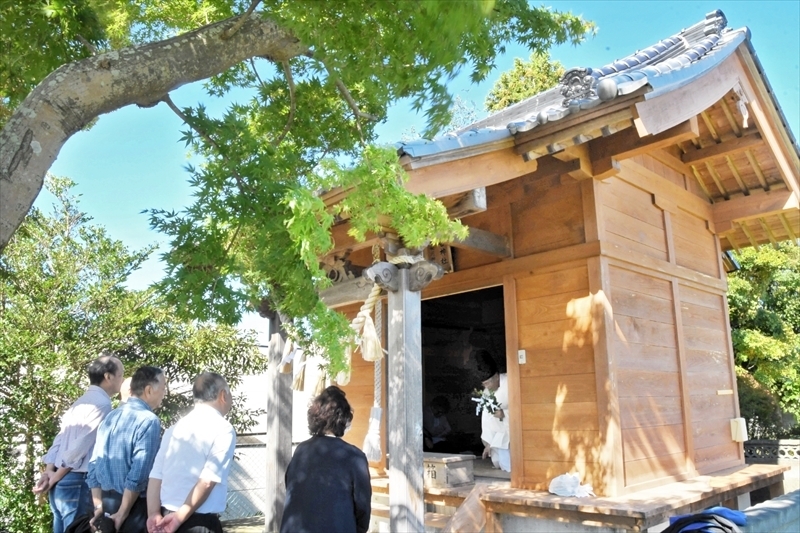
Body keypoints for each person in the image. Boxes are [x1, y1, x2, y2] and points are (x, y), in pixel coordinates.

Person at [33, 352, 125, 533]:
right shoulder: (102, 404)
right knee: (77, 529)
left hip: (61, 480)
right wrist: (54, 476)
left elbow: (60, 439)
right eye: (121, 375)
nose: (122, 380)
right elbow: (79, 447)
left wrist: (49, 472)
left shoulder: (79, 403)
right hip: (76, 479)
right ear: (108, 377)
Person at [146, 372, 236, 533]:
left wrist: (153, 514)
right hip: (197, 521)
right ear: (223, 395)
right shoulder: (223, 429)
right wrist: (179, 517)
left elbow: (156, 475)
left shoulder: (174, 429)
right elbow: (208, 480)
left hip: (164, 517)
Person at [280, 386, 371, 533]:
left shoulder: (301, 450)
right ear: (344, 419)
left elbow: (290, 487)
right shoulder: (354, 456)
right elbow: (362, 507)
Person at [87, 366, 166, 532]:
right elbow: (139, 472)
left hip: (107, 502)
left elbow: (93, 464)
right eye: (164, 387)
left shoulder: (110, 416)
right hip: (132, 506)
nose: (165, 393)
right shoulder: (149, 420)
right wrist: (123, 512)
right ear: (149, 390)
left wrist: (98, 506)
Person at [474, 349, 511, 472]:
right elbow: (487, 420)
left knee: (509, 465)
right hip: (499, 434)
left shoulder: (511, 382)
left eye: (488, 383)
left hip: (513, 431)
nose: (487, 387)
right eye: (484, 384)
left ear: (496, 376)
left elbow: (521, 406)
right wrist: (489, 442)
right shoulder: (486, 393)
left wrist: (504, 414)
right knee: (499, 463)